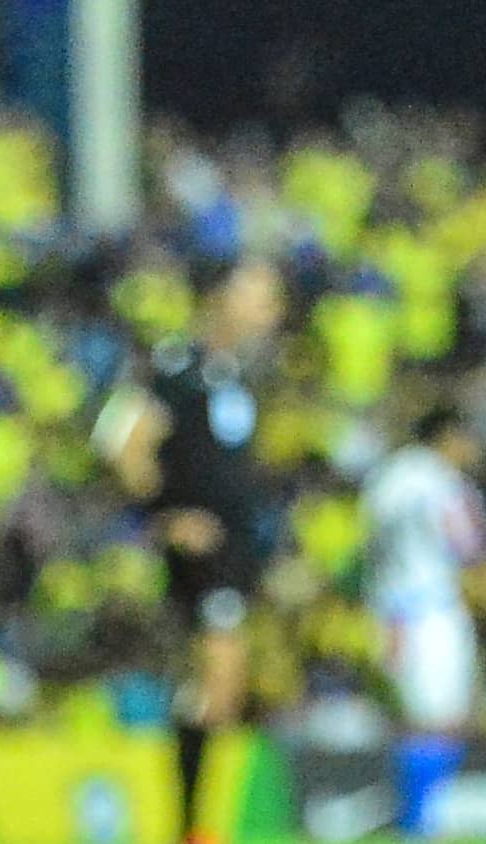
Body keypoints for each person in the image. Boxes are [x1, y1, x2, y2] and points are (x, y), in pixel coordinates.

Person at [97, 255, 289, 844]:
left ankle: (197, 821)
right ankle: (193, 827)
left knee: (222, 692)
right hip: (202, 553)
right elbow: (122, 444)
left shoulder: (235, 376)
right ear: (221, 296)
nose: (270, 311)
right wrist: (163, 518)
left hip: (234, 551)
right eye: (258, 295)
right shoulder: (179, 367)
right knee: (219, 679)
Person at [362, 399, 486, 834]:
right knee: (440, 720)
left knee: (416, 719)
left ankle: (414, 814)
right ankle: (420, 821)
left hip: (390, 614)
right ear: (448, 437)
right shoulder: (444, 484)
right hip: (432, 612)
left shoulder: (387, 478)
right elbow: (470, 555)